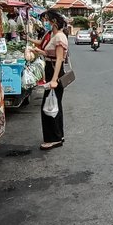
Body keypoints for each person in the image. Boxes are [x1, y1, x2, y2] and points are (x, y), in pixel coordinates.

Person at [30, 10, 68, 150]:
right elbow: (51, 54)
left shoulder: (59, 37)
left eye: (46, 20)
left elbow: (59, 59)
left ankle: (54, 139)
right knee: (55, 104)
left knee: (48, 106)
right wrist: (41, 52)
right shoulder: (53, 35)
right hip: (51, 69)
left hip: (54, 72)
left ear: (54, 22)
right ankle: (59, 135)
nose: (44, 23)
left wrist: (54, 80)